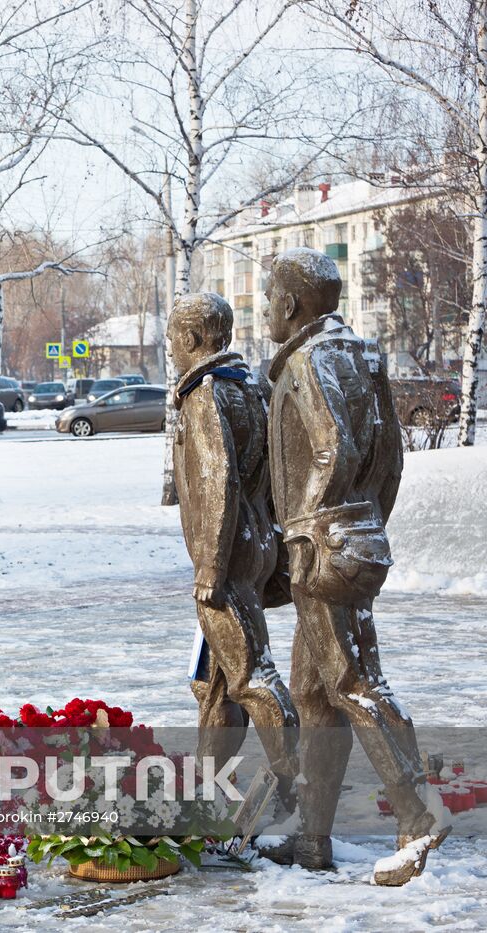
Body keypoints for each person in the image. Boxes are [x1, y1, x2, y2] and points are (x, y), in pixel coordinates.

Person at [262, 248, 443, 885]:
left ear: (288, 305)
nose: (265, 310)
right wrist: (368, 520)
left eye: (268, 298)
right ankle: (313, 841)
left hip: (321, 546)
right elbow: (391, 458)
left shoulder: (309, 359)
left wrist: (313, 529)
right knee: (314, 692)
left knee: (352, 682)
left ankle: (419, 816)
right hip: (356, 535)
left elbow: (331, 446)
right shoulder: (364, 355)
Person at [168, 293, 298, 812]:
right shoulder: (250, 388)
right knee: (217, 684)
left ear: (194, 340)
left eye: (175, 339)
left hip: (226, 556)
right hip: (254, 541)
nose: (173, 350)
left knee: (251, 675)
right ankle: (204, 792)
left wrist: (212, 566)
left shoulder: (204, 394)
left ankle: (297, 785)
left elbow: (218, 479)